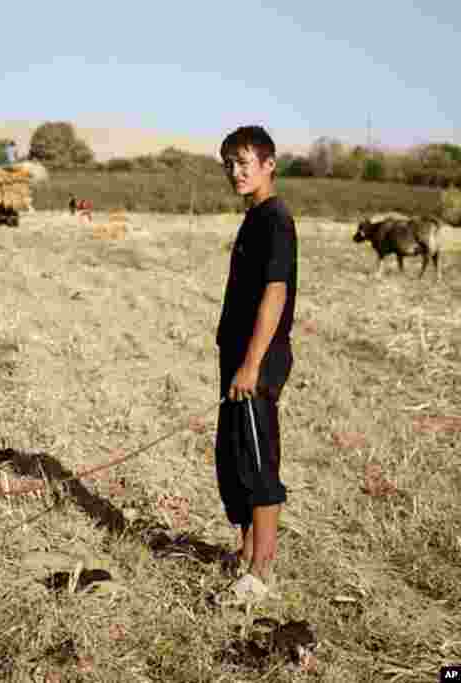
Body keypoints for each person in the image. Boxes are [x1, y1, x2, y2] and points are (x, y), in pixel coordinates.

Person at [211, 125, 297, 607]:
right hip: (240, 357)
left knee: (259, 460)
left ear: (269, 164)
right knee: (235, 457)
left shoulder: (275, 219)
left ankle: (261, 571)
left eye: (245, 163)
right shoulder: (254, 218)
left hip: (257, 360)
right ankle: (245, 554)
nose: (236, 172)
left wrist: (250, 364)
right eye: (229, 163)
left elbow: (276, 292)